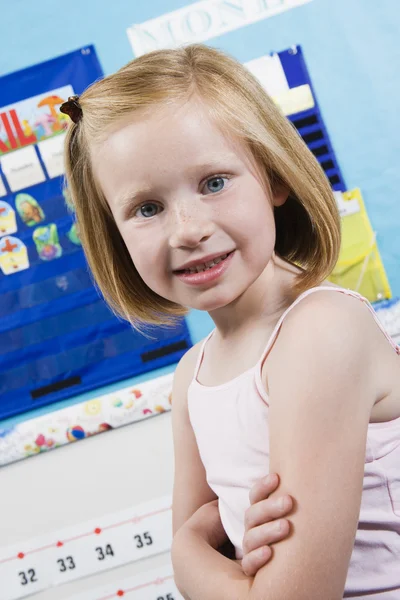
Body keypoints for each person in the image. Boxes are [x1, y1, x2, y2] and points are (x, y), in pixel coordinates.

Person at [61, 44, 400, 599]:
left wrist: (189, 557)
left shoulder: (319, 331)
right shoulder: (193, 373)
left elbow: (271, 587)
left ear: (274, 177)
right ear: (114, 236)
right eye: (147, 208)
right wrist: (202, 553)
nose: (188, 228)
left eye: (214, 182)